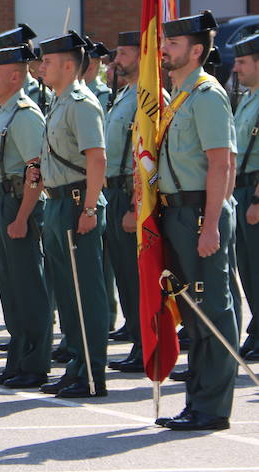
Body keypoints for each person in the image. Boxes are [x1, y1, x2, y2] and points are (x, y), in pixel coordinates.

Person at [153, 11, 238, 431]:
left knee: (212, 311)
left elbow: (221, 164)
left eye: (173, 43)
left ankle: (213, 408)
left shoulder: (206, 95)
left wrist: (210, 226)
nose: (164, 49)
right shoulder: (179, 95)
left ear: (196, 50)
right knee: (194, 314)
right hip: (178, 213)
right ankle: (197, 401)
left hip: (200, 213)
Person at [28, 30, 109, 398]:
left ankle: (91, 374)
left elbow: (97, 158)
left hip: (78, 203)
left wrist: (90, 208)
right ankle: (76, 364)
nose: (41, 67)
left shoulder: (81, 103)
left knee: (85, 293)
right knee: (67, 292)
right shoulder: (59, 102)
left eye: (47, 62)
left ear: (67, 66)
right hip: (59, 202)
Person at [0, 43, 52, 388]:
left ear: (15, 76)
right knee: (10, 288)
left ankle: (35, 363)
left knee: (28, 287)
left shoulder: (25, 115)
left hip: (18, 203)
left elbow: (35, 171)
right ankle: (18, 360)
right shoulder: (3, 112)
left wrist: (23, 216)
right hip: (1, 202)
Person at [104, 31, 146, 372]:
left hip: (131, 194)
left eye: (123, 54)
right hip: (114, 191)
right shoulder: (124, 96)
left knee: (137, 276)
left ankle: (146, 344)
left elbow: (147, 158)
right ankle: (137, 338)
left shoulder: (147, 98)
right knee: (124, 274)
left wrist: (135, 206)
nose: (116, 61)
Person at [232, 31, 259, 362]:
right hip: (241, 191)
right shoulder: (249, 97)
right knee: (248, 268)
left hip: (254, 192)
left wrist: (257, 200)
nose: (235, 68)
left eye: (242, 62)